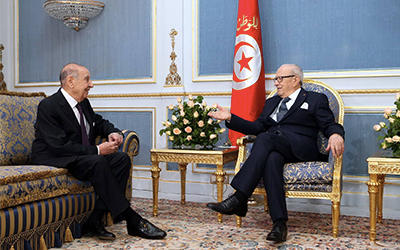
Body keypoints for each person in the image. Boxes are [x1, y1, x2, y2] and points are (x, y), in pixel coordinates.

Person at [206, 64, 344, 243]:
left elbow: (328, 123)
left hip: (301, 148)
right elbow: (257, 127)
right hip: (275, 147)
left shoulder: (315, 99)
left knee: (264, 138)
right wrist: (231, 117)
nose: (276, 83)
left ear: (295, 80)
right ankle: (279, 224)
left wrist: (335, 134)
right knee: (271, 158)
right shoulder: (271, 102)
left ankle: (239, 197)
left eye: (280, 79)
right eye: (275, 79)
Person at [32, 63, 167, 240]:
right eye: (87, 79)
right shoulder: (49, 106)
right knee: (98, 161)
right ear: (71, 81)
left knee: (121, 159)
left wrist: (113, 132)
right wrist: (97, 149)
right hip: (55, 157)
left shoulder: (83, 103)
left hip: (79, 157)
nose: (92, 84)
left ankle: (93, 221)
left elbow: (98, 122)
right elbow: (59, 146)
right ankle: (132, 219)